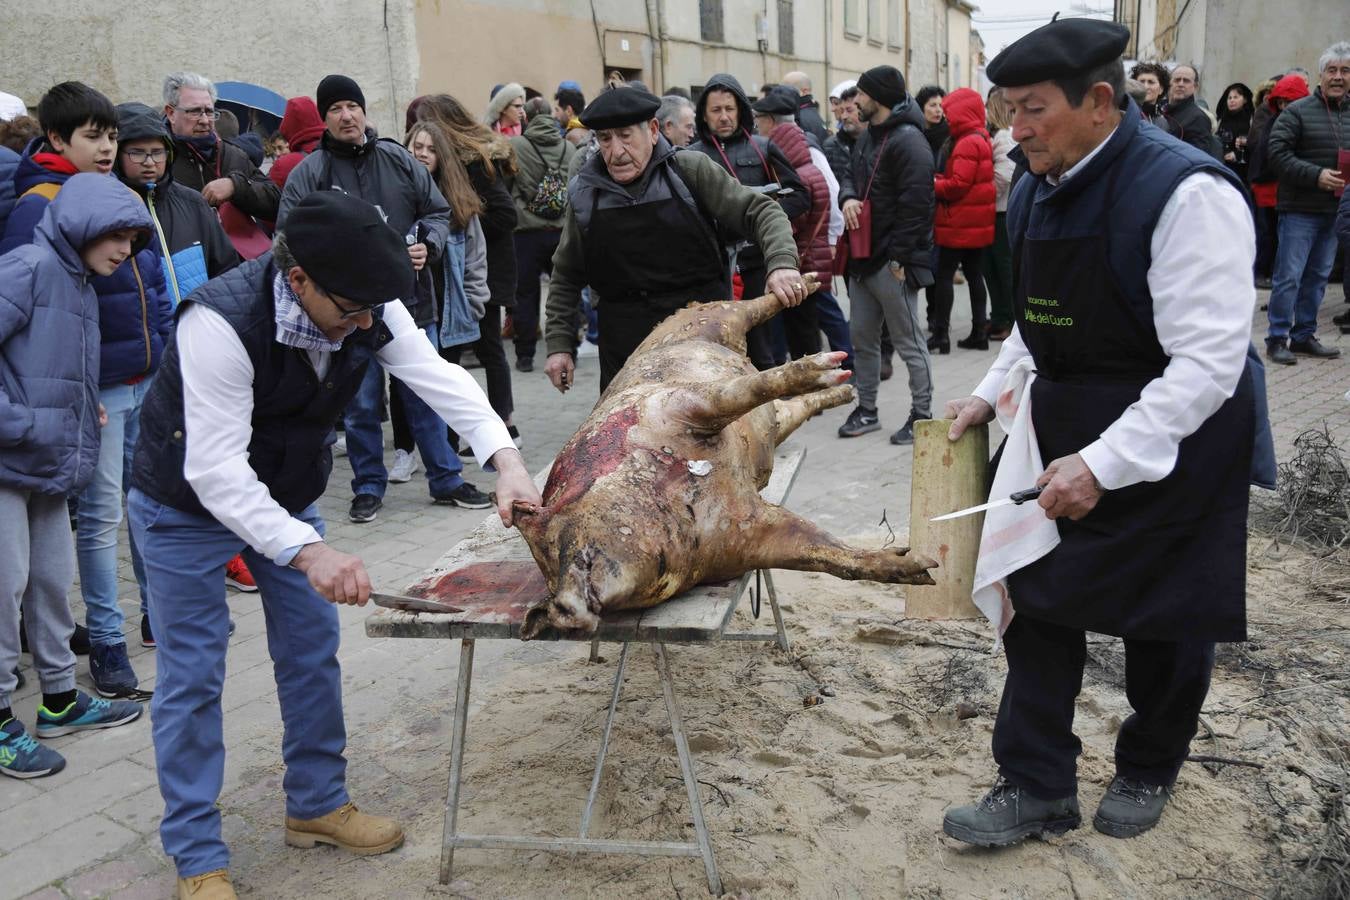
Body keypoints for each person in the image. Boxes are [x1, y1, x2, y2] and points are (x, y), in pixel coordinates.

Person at [126, 191, 540, 898]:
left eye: (372, 313)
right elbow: (217, 470)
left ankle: (315, 804)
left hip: (285, 494)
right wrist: (310, 551)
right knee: (193, 680)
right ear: (298, 281)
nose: (365, 326)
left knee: (312, 651)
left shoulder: (365, 301)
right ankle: (197, 856)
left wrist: (507, 462)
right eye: (350, 313)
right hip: (185, 507)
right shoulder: (219, 324)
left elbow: (437, 376)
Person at [941, 18, 1270, 847]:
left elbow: (1206, 364)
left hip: (1179, 431)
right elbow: (1033, 322)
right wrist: (990, 392)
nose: (1015, 129)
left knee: (1165, 614)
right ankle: (1036, 781)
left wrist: (1105, 460)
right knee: (1037, 604)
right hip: (1064, 426)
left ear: (1098, 101)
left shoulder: (1186, 193)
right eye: (1008, 108)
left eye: (1033, 109)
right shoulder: (1033, 183)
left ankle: (1150, 763)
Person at [1, 82, 175, 696]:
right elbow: (29, 325)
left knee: (138, 510)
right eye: (93, 137)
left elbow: (148, 285)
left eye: (111, 137)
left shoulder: (113, 206)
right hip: (73, 406)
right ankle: (104, 642)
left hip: (125, 387)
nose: (108, 148)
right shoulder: (39, 216)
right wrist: (33, 413)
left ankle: (149, 627)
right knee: (85, 528)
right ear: (55, 138)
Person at [0, 174, 151, 779]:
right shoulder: (29, 266)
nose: (123, 249)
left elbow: (56, 367)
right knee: (4, 586)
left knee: (51, 581)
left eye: (132, 239)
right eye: (114, 235)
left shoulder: (82, 284)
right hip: (9, 457)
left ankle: (59, 699)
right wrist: (18, 421)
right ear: (81, 225)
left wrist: (81, 411)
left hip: (47, 460)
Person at [279, 75, 469, 522]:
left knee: (426, 393)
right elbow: (287, 240)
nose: (346, 116)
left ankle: (446, 477)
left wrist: (431, 245)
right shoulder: (311, 173)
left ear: (364, 111)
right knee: (361, 403)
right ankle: (368, 485)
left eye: (352, 106)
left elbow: (438, 212)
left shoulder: (400, 161)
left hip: (411, 302)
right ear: (325, 119)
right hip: (347, 313)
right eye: (335, 109)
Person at [541, 88, 803, 392]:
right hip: (625, 344)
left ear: (653, 131)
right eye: (605, 139)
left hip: (701, 332)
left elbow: (761, 212)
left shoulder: (690, 171)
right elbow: (566, 273)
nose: (616, 151)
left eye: (626, 136)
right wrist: (559, 345)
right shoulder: (584, 193)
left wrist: (782, 263)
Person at [384, 120, 493, 504]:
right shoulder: (399, 197)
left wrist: (477, 300)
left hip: (450, 311)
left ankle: (449, 460)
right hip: (418, 306)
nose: (421, 154)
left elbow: (476, 260)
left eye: (430, 148)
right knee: (405, 389)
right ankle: (405, 451)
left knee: (442, 385)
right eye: (416, 146)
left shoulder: (457, 203)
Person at [413, 93, 522, 450]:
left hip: (482, 271)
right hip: (472, 269)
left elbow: (506, 215)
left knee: (487, 349)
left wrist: (463, 222)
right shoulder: (468, 159)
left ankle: (502, 424)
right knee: (462, 353)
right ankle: (467, 430)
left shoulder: (475, 164)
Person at [835, 66, 936, 445]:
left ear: (877, 97)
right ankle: (867, 411)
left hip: (892, 264)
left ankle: (923, 416)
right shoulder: (867, 136)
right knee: (862, 340)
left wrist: (898, 260)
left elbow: (918, 206)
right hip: (862, 261)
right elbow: (848, 174)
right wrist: (847, 198)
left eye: (860, 95)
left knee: (910, 342)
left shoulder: (909, 141)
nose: (853, 102)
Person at [689, 73, 810, 371]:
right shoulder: (691, 156)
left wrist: (766, 211)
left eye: (729, 109)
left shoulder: (764, 147)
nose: (724, 117)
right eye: (716, 110)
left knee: (762, 349)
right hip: (713, 269)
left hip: (757, 264)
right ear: (704, 115)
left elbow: (800, 195)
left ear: (741, 109)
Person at [1264, 41, 1349, 364]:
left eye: (1345, 71)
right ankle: (1276, 338)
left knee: (1318, 278)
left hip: (1336, 211)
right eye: (1332, 70)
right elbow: (1277, 154)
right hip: (1300, 209)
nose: (1338, 77)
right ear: (1321, 74)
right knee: (1289, 276)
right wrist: (1316, 175)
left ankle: (1303, 336)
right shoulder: (1297, 111)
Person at [751, 90, 829, 360]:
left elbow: (791, 223)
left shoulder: (795, 172)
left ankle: (810, 397)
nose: (756, 126)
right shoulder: (806, 161)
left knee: (803, 339)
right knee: (805, 334)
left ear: (770, 121)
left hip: (797, 266)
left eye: (758, 119)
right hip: (806, 263)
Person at [506, 97, 575, 372]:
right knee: (565, 291)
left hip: (526, 232)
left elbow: (508, 184)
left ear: (528, 118)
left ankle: (525, 356)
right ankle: (570, 349)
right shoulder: (568, 147)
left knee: (525, 294)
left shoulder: (515, 146)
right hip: (560, 230)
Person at [162, 72, 279, 225]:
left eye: (209, 112)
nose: (204, 120)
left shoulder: (232, 154)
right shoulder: (157, 160)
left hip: (235, 248)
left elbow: (276, 201)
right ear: (171, 113)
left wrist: (236, 187)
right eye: (195, 111)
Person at [930, 87, 996, 354]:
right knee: (974, 275)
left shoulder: (968, 141)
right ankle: (979, 332)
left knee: (944, 276)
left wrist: (932, 183)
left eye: (949, 112)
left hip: (959, 223)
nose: (945, 117)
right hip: (975, 223)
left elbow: (958, 185)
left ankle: (941, 335)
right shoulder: (980, 136)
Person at [1248, 75, 1310, 290]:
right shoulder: (1275, 121)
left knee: (1281, 238)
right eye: (1281, 102)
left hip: (1284, 187)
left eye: (1289, 102)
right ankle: (1266, 273)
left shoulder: (1290, 121)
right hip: (1270, 186)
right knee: (1269, 234)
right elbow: (1266, 155)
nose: (1284, 106)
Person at [983, 87, 1017, 340]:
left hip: (1000, 211)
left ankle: (1006, 320)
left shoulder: (1004, 136)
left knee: (1001, 271)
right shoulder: (1003, 135)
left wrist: (983, 196)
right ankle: (1000, 317)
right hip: (1000, 211)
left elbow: (1004, 175)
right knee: (995, 270)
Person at [1164, 64, 1222, 158]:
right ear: (1170, 84)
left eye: (1186, 81)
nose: (1180, 84)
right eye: (1177, 80)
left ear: (1195, 87)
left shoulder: (1199, 118)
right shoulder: (1161, 111)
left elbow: (1197, 157)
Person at [267, 96, 325, 189]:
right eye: (274, 149)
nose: (277, 154)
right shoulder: (343, 154)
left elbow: (267, 199)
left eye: (280, 148)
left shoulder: (284, 165)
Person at [1216, 82, 1254, 182]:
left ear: (1245, 100)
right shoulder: (1222, 120)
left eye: (1236, 97)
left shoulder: (1251, 120)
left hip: (1243, 170)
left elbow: (1254, 145)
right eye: (1230, 98)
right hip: (1223, 166)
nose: (1232, 100)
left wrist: (1236, 155)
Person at [780, 71, 830, 144]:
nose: (781, 95)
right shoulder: (814, 113)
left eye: (787, 91)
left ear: (804, 91)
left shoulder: (796, 118)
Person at [1128, 61, 1171, 129]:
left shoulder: (1162, 123)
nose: (1145, 86)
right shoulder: (1125, 115)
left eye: (1151, 82)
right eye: (1141, 81)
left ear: (1161, 89)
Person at [916, 85, 949, 161]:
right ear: (921, 107)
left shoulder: (947, 136)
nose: (938, 110)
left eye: (941, 106)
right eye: (933, 105)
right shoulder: (914, 133)